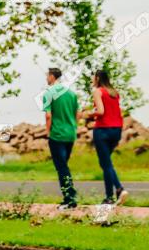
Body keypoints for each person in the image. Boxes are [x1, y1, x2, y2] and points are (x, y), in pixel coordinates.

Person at [83, 70, 127, 205]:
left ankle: (117, 190)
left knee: (106, 164)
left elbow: (101, 111)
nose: (92, 80)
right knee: (106, 163)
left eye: (93, 78)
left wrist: (86, 114)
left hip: (103, 130)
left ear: (97, 78)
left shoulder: (98, 91)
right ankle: (111, 195)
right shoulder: (114, 92)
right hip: (117, 130)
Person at [41, 68, 80, 210]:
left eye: (47, 75)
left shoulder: (49, 93)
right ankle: (68, 198)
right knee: (64, 166)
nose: (46, 78)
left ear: (52, 76)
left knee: (62, 168)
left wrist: (47, 131)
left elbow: (48, 115)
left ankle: (70, 199)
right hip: (70, 134)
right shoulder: (71, 93)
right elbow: (78, 113)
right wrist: (73, 127)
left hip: (57, 135)